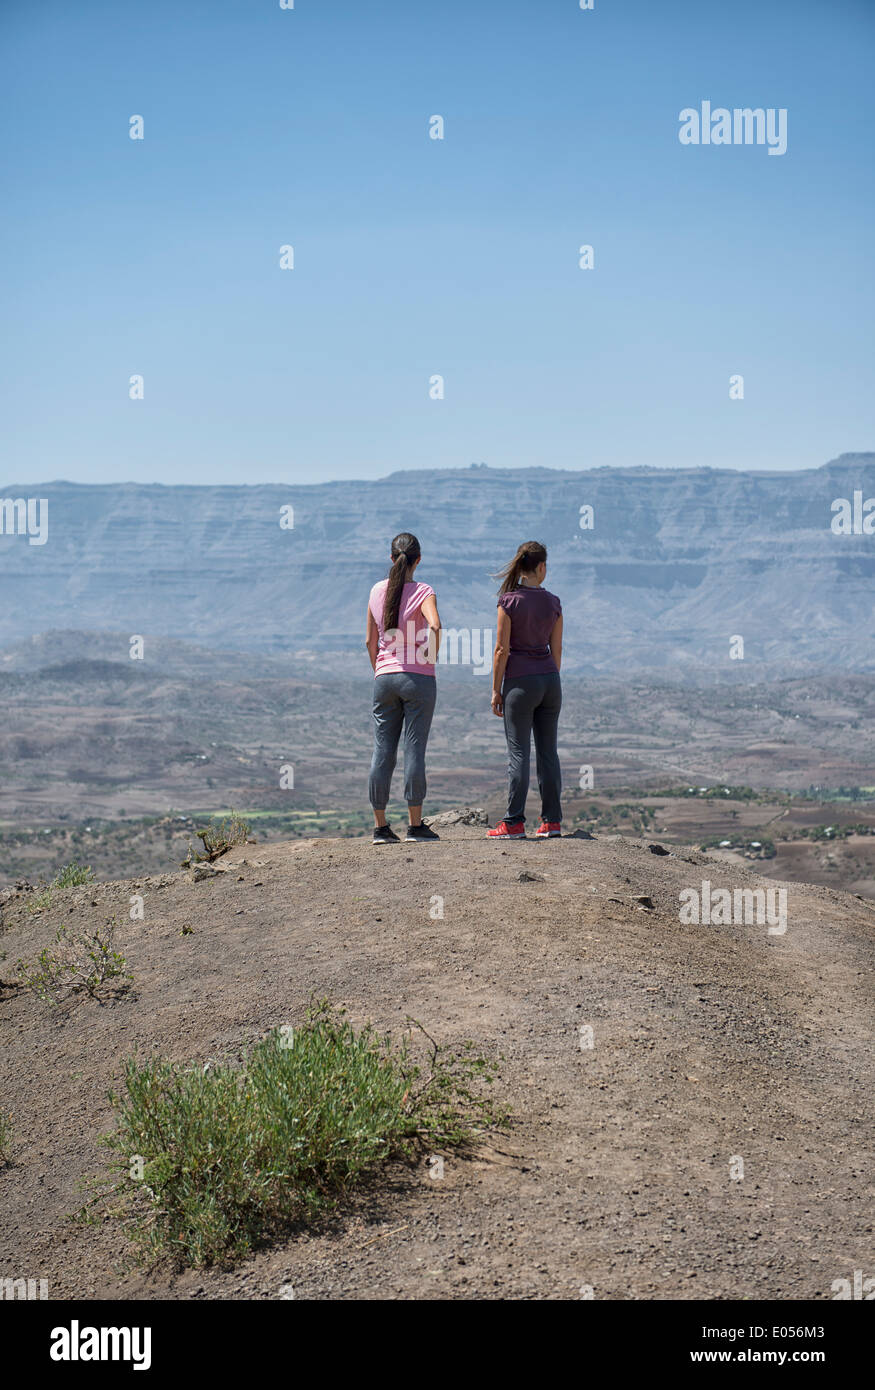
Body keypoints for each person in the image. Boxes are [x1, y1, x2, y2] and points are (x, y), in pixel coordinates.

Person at [366, 532, 442, 845]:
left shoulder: (375, 590)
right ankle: (414, 826)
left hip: (383, 678)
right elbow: (435, 626)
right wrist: (429, 658)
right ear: (418, 560)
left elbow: (370, 640)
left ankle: (381, 828)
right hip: (418, 678)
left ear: (391, 558)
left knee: (382, 751)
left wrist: (380, 669)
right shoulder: (424, 591)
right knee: (414, 750)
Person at [487, 541, 563, 839]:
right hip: (550, 682)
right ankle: (552, 822)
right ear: (541, 567)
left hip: (519, 683)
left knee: (518, 753)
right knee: (549, 753)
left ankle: (514, 822)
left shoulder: (508, 602)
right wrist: (548, 677)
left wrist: (496, 690)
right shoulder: (554, 602)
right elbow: (556, 650)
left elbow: (501, 650)